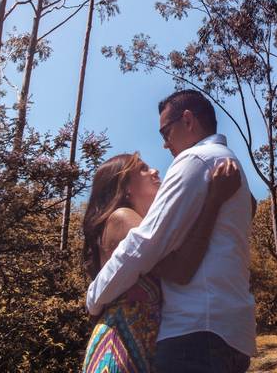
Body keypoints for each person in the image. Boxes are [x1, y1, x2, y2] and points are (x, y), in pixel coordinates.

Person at [86, 89, 256, 373]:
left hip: (195, 332)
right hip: (225, 331)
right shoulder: (224, 162)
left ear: (187, 121)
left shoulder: (194, 161)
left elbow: (144, 246)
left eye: (166, 132)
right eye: (142, 170)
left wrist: (93, 297)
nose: (164, 146)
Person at [80, 151, 241, 373]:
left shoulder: (149, 228)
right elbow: (180, 270)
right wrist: (214, 200)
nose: (155, 171)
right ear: (124, 187)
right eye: (143, 169)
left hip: (140, 347)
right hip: (121, 347)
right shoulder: (122, 218)